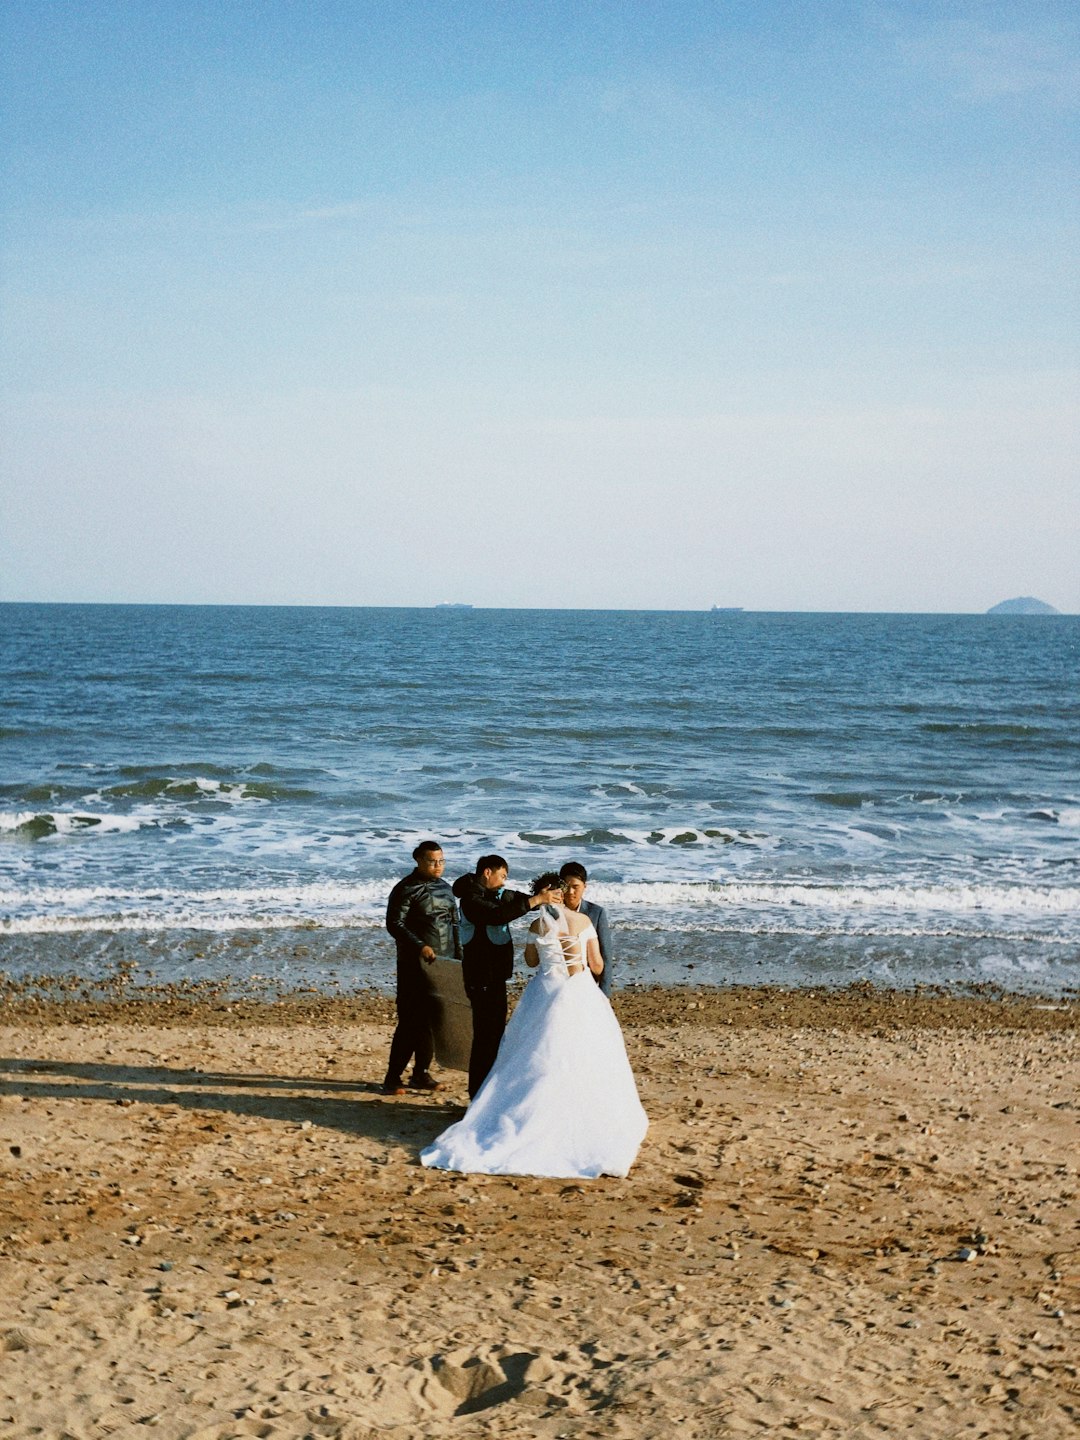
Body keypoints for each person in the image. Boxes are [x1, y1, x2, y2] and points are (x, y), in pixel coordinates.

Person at [420, 873, 647, 1178]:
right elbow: (596, 965)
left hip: (545, 990)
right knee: (587, 1054)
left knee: (535, 1053)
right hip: (579, 990)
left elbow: (529, 961)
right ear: (564, 893)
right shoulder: (584, 923)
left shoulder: (536, 925)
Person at [452, 856, 561, 1099]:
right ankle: (476, 1095)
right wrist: (535, 900)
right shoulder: (471, 898)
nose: (504, 882)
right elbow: (497, 916)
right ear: (487, 873)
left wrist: (539, 897)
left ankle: (484, 1094)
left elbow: (515, 901)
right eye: (502, 876)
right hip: (480, 978)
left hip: (494, 977)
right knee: (485, 1038)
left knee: (495, 1036)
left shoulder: (496, 894)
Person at [382, 841, 460, 1096]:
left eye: (441, 861)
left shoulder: (446, 888)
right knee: (410, 1022)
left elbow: (455, 925)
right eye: (431, 861)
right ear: (418, 860)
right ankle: (393, 1078)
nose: (438, 866)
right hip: (414, 964)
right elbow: (395, 924)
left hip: (444, 963)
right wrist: (420, 946)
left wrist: (459, 957)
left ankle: (421, 1074)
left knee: (433, 1020)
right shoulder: (405, 888)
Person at [559, 860, 613, 996]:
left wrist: (604, 994)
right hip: (558, 983)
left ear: (585, 886)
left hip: (587, 983)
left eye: (575, 886)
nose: (570, 892)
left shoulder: (596, 913)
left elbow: (605, 955)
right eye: (566, 887)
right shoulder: (552, 912)